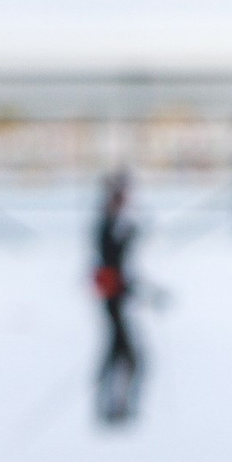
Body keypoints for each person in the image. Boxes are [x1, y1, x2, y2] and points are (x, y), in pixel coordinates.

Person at [92, 170, 143, 427]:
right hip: (113, 298)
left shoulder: (109, 223)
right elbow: (112, 260)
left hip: (115, 296)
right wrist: (129, 239)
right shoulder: (106, 224)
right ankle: (114, 408)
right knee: (125, 355)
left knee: (119, 354)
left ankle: (114, 407)